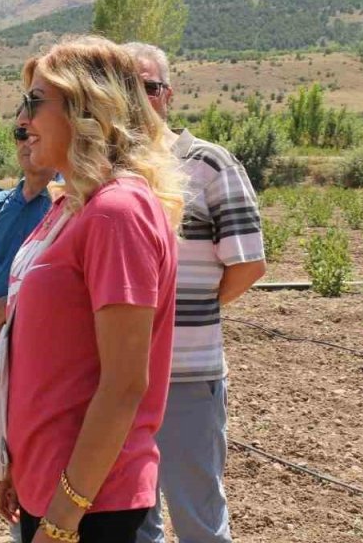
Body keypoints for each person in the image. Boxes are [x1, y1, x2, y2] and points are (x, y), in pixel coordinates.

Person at [0, 35, 185, 543]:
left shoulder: (117, 212)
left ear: (85, 107)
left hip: (92, 504)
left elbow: (123, 386)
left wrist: (63, 516)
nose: (22, 120)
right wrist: (18, 461)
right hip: (50, 481)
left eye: (35, 102)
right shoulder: (71, 206)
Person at [124, 43, 266, 543]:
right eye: (125, 87)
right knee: (132, 518)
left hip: (186, 372)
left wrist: (181, 315)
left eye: (148, 87)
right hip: (117, 379)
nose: (137, 100)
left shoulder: (210, 163)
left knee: (198, 515)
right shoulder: (107, 169)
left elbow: (247, 262)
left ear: (168, 95)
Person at [0, 134, 56, 348]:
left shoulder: (69, 206)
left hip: (41, 344)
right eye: (21, 133)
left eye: (38, 133)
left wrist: (5, 310)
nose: (29, 141)